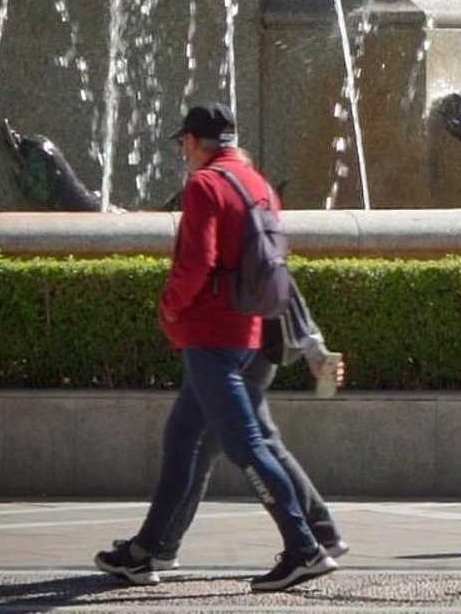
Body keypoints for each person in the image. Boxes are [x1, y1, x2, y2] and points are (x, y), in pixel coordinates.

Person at [94, 104, 338, 592]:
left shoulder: (205, 185)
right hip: (249, 332)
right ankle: (146, 552)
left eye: (182, 143)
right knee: (183, 440)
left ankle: (304, 548)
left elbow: (196, 261)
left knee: (246, 446)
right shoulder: (257, 184)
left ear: (191, 142)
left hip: (210, 336)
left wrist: (168, 310)